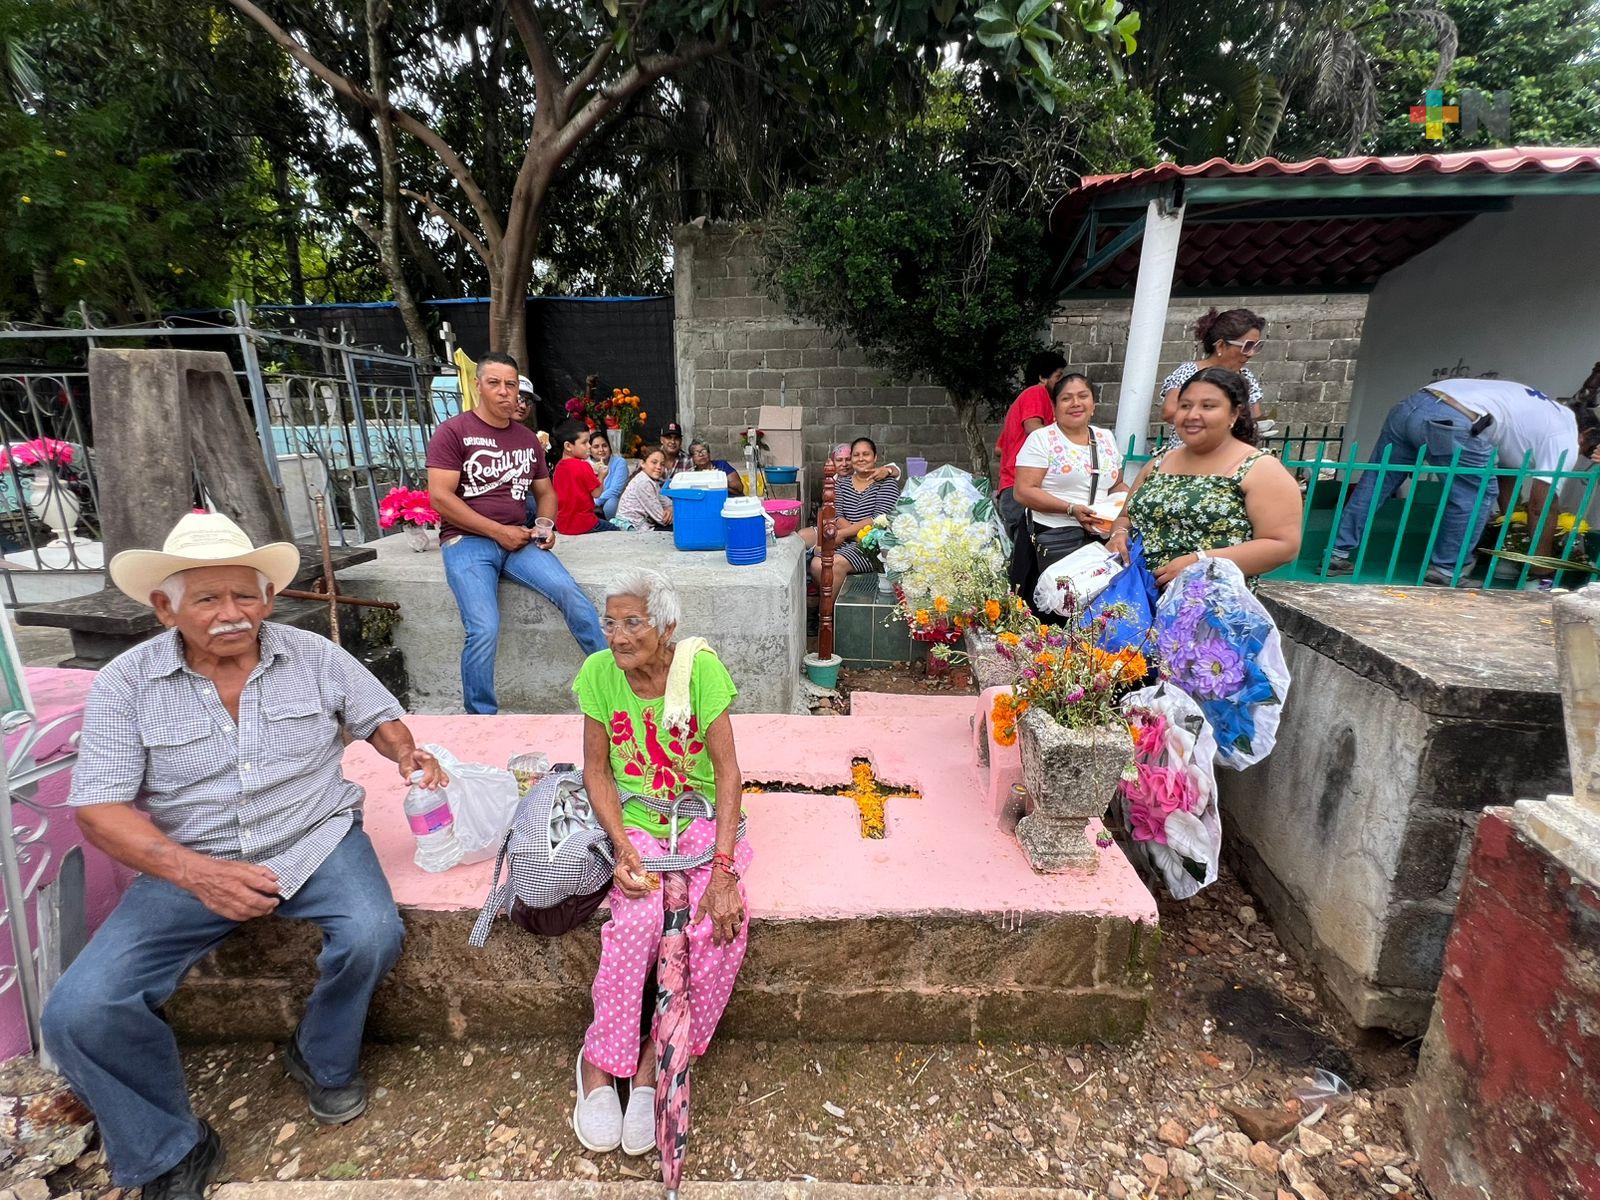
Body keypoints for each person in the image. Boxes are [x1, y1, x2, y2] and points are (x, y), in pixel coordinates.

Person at [41, 512, 447, 1200]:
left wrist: (406, 751)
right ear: (164, 606)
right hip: (188, 859)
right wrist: (195, 873)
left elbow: (377, 715)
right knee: (77, 1010)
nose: (232, 615)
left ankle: (319, 1057)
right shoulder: (125, 683)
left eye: (246, 596)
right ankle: (169, 1147)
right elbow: (99, 810)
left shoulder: (312, 655)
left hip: (314, 836)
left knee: (373, 932)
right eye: (207, 599)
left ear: (267, 598)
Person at [569, 569, 751, 1156]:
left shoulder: (699, 671)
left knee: (718, 927)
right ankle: (600, 1061)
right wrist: (622, 847)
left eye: (633, 622)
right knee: (639, 921)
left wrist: (723, 871)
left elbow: (728, 773)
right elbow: (596, 770)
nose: (618, 637)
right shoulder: (599, 674)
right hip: (637, 819)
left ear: (667, 626)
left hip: (697, 817)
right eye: (610, 623)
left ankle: (657, 1059)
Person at [427, 352, 606, 714]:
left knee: (572, 595)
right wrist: (498, 531)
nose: (505, 392)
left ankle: (617, 685)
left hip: (519, 540)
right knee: (483, 628)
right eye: (494, 383)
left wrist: (545, 525)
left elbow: (546, 493)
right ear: (478, 385)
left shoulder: (526, 439)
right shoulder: (454, 432)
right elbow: (440, 498)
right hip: (468, 541)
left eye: (511, 385)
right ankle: (481, 716)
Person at [1327, 378, 1600, 584]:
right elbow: (1542, 506)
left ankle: (1335, 555)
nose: (1578, 457)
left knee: (1377, 480)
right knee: (1477, 494)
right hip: (1456, 417)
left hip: (1413, 405)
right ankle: (1445, 570)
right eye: (1584, 451)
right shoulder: (1564, 432)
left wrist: (1510, 522)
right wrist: (1542, 569)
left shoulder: (1540, 414)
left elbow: (1506, 479)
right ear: (1584, 432)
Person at [1113, 367, 1302, 587]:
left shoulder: (1259, 469)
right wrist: (1118, 534)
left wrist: (1200, 562)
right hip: (1136, 596)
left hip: (1205, 605)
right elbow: (1125, 517)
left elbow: (1283, 545)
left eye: (1208, 406)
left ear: (1234, 413)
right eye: (1185, 405)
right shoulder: (1159, 463)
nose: (1193, 415)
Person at [1010, 373, 1128, 606]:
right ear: (1054, 407)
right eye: (1066, 398)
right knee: (1048, 610)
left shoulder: (1105, 438)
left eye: (1083, 396)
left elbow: (1116, 484)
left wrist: (1121, 510)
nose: (1075, 403)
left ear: (1093, 404)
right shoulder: (1042, 439)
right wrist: (1070, 508)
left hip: (1098, 539)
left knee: (1091, 610)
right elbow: (1023, 491)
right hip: (1052, 539)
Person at [798, 437, 901, 591]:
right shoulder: (842, 482)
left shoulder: (887, 483)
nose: (861, 458)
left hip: (872, 546)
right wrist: (854, 535)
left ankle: (830, 613)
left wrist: (844, 534)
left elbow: (878, 520)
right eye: (856, 455)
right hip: (846, 540)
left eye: (866, 454)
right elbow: (837, 514)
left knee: (827, 564)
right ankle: (834, 605)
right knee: (816, 562)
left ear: (875, 457)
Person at [995, 350, 1067, 537]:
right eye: (1058, 377)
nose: (1062, 383)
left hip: (1011, 487)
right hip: (1022, 487)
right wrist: (1066, 444)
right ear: (1042, 377)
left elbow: (998, 449)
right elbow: (1031, 425)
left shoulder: (1022, 401)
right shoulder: (1037, 392)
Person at [1160, 308, 1266, 422]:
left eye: (1256, 346)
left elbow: (1255, 417)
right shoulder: (1189, 372)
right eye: (1247, 346)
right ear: (1220, 346)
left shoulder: (1246, 376)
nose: (1251, 353)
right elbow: (1170, 412)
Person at [552, 421, 620, 535]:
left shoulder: (558, 467)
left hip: (562, 525)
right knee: (616, 530)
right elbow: (597, 493)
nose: (589, 446)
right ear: (568, 446)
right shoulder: (583, 466)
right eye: (584, 442)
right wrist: (601, 476)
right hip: (584, 523)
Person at [617, 447, 674, 531]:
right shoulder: (643, 482)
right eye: (654, 462)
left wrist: (670, 509)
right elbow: (662, 518)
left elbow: (669, 503)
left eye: (662, 464)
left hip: (643, 525)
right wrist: (671, 512)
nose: (659, 467)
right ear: (642, 463)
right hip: (633, 529)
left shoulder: (651, 481)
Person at [589, 430, 629, 520]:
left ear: (610, 448)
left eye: (604, 446)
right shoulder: (586, 465)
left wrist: (594, 501)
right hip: (590, 504)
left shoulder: (619, 463)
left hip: (611, 503)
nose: (601, 450)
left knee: (612, 502)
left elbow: (615, 490)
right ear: (590, 450)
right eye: (596, 447)